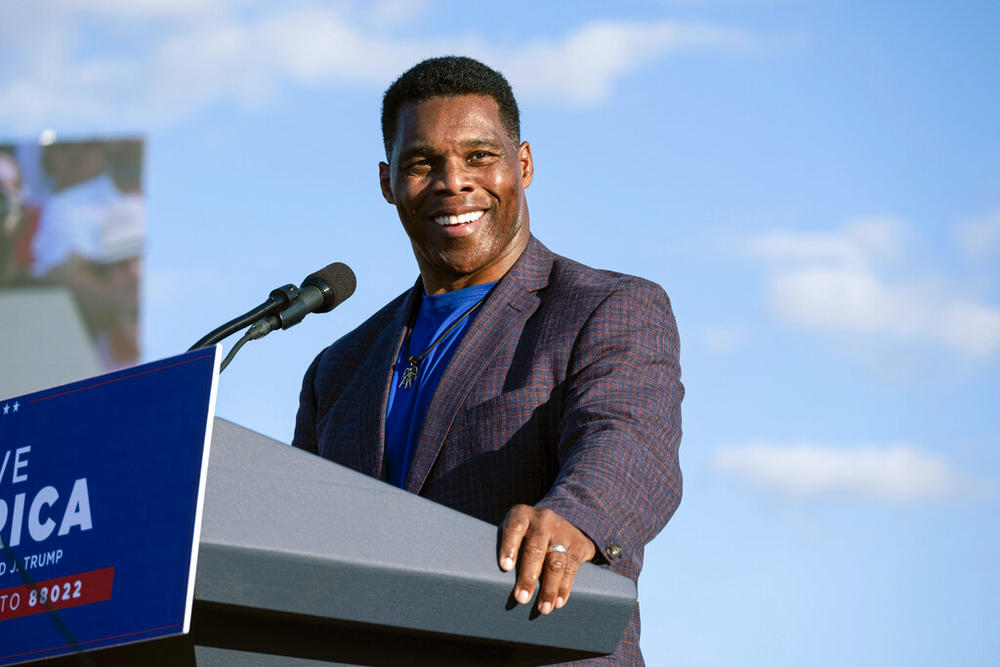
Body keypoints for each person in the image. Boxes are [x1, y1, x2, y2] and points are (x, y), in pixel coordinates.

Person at [293, 56, 683, 665]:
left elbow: (629, 439)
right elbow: (294, 545)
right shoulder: (337, 370)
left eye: (480, 156)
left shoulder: (605, 308)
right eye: (423, 163)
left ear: (522, 165)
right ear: (387, 182)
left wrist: (575, 514)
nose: (454, 181)